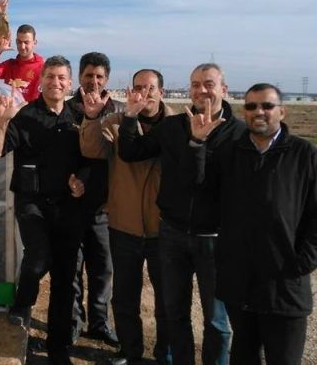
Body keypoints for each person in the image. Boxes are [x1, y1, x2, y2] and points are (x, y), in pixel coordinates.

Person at [188, 83, 317, 364]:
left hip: (284, 286)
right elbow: (203, 196)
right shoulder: (230, 153)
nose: (259, 112)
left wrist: (302, 262)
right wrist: (198, 144)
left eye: (267, 106)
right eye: (251, 106)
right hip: (240, 284)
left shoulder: (304, 155)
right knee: (244, 356)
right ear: (244, 113)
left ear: (281, 111)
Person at [119, 63, 245, 365]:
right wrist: (130, 117)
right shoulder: (174, 126)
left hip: (215, 237)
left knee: (216, 320)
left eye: (209, 84)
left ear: (223, 89)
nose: (202, 90)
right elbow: (132, 152)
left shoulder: (239, 134)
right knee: (175, 314)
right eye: (195, 84)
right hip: (173, 233)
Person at [0, 56, 89, 365]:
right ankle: (22, 302)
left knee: (65, 279)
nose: (56, 82)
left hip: (68, 207)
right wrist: (3, 120)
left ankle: (59, 351)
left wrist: (82, 180)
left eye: (61, 78)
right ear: (40, 81)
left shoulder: (81, 116)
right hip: (32, 203)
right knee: (38, 258)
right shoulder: (25, 115)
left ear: (70, 84)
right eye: (50, 77)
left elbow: (91, 159)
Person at [79, 69, 174, 365]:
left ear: (162, 91)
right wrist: (93, 117)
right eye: (138, 88)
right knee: (124, 297)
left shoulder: (179, 126)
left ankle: (165, 354)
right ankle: (130, 351)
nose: (144, 93)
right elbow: (92, 149)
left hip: (165, 227)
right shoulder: (116, 123)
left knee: (168, 299)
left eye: (150, 87)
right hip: (124, 224)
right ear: (131, 91)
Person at [67, 52, 122, 348]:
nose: (94, 81)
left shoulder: (117, 111)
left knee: (103, 268)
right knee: (72, 269)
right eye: (89, 75)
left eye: (100, 76)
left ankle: (100, 322)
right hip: (72, 204)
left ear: (107, 80)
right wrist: (71, 179)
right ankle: (75, 321)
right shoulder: (67, 110)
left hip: (104, 206)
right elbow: (63, 155)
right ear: (79, 77)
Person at [0, 24, 44, 102]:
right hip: (10, 112)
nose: (22, 47)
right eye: (19, 42)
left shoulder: (42, 68)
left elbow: (39, 98)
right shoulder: (10, 65)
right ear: (16, 42)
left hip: (30, 112)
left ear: (34, 42)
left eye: (26, 42)